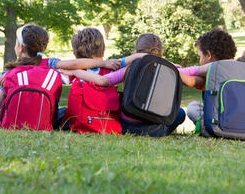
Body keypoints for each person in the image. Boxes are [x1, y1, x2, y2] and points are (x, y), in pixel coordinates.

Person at [59, 33, 204, 137]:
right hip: (155, 129)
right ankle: (165, 131)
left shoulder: (130, 67)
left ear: (136, 51)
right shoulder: (172, 70)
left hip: (128, 126)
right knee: (180, 113)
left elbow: (103, 81)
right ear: (160, 53)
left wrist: (76, 71)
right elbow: (196, 73)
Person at [0, 24, 120, 127]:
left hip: (12, 117)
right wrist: (103, 63)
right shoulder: (50, 64)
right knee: (62, 112)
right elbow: (75, 64)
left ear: (20, 47)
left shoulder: (10, 73)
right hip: (44, 120)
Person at [185, 28, 237, 127]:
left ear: (208, 55)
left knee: (193, 107)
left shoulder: (210, 74)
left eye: (200, 56)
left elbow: (189, 80)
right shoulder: (244, 70)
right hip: (244, 121)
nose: (199, 61)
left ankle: (206, 127)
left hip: (219, 123)